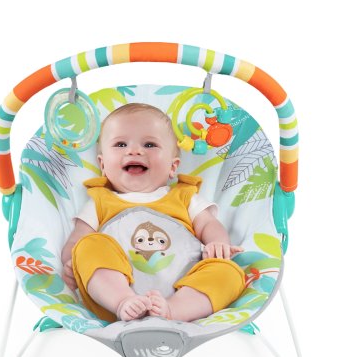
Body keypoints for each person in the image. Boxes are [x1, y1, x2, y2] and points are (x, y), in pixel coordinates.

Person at [61, 103, 245, 323]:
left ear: (172, 167)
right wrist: (72, 262)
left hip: (185, 288)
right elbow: (78, 239)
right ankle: (124, 301)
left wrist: (218, 242)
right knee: (89, 244)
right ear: (103, 165)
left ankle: (174, 310)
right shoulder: (100, 201)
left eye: (149, 144)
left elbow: (208, 224)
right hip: (112, 298)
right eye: (120, 144)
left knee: (229, 273)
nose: (134, 151)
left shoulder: (184, 196)